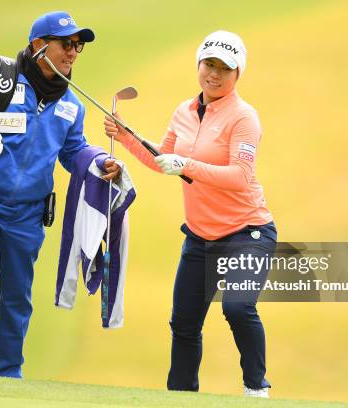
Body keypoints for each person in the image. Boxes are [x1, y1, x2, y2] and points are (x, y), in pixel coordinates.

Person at [104, 31, 276, 397]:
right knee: (183, 323)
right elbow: (163, 159)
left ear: (237, 74)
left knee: (238, 308)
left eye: (224, 69)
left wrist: (188, 165)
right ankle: (181, 396)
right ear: (199, 64)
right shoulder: (184, 111)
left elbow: (240, 177)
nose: (214, 74)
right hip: (200, 237)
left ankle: (256, 389)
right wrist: (126, 136)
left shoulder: (244, 117)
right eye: (209, 64)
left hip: (248, 233)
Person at [0, 11, 121, 378]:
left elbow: (73, 152)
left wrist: (102, 161)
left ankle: (9, 374)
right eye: (66, 44)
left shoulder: (71, 106)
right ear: (38, 45)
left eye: (78, 46)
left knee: (17, 296)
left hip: (28, 214)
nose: (74, 52)